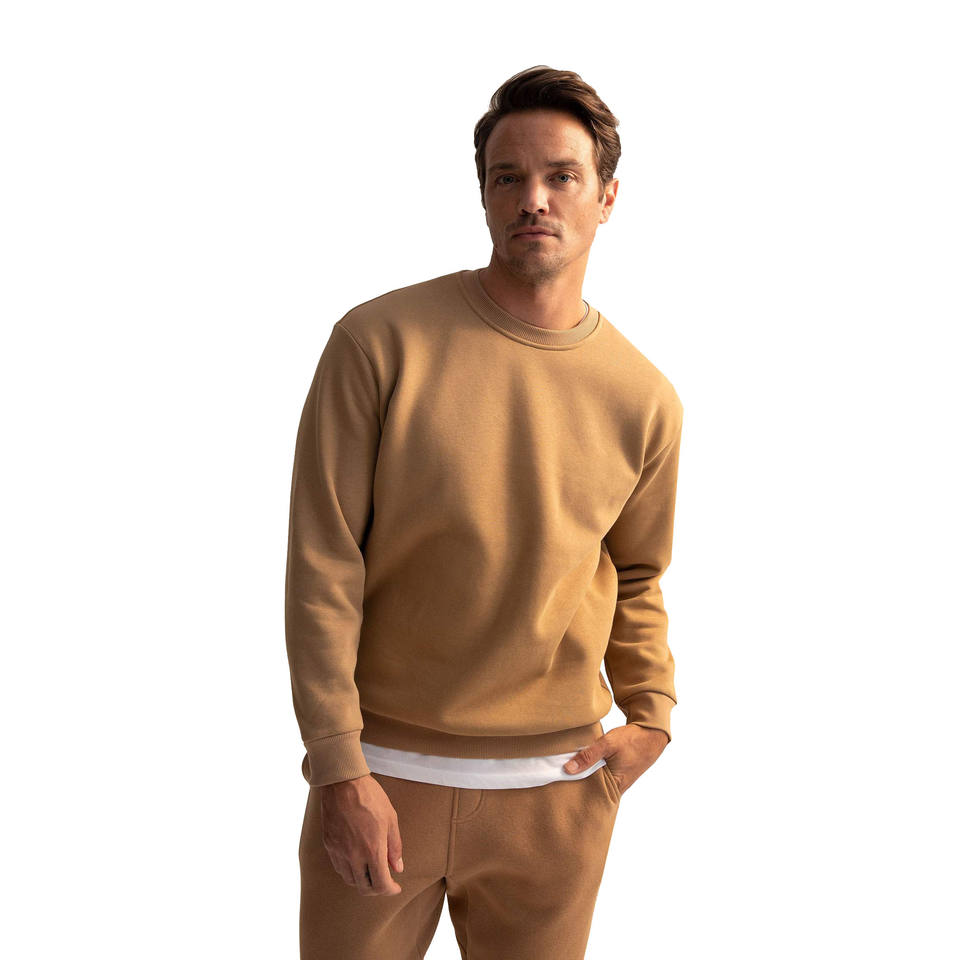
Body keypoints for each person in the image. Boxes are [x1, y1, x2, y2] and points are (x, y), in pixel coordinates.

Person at [284, 64, 685, 960]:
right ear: (484, 195)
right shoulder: (378, 344)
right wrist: (339, 766)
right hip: (382, 784)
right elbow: (323, 564)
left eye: (561, 175)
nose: (532, 199)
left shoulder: (643, 396)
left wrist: (652, 712)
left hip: (557, 793)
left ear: (607, 197)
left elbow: (638, 573)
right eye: (508, 177)